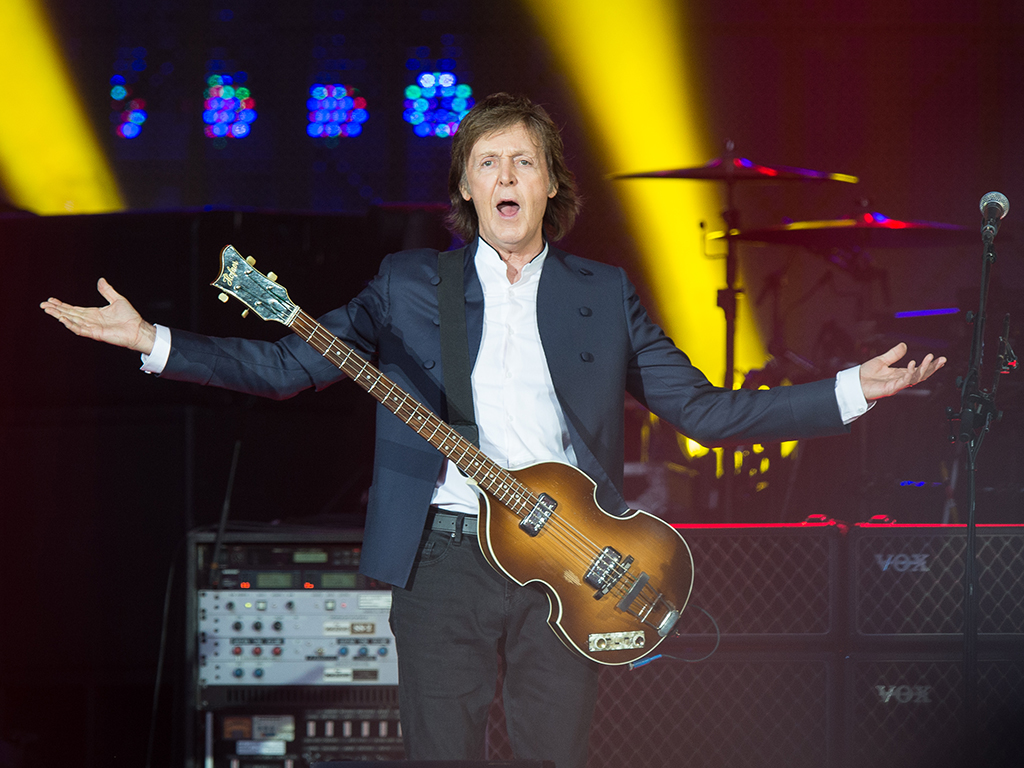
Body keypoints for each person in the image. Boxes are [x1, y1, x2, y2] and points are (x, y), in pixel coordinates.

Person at [41, 92, 945, 768]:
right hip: (443, 559)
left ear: (552, 185)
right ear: (465, 189)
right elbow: (288, 368)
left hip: (574, 558)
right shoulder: (406, 285)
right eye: (487, 163)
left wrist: (847, 391)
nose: (505, 177)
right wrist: (155, 340)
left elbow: (704, 413)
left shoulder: (603, 293)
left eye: (522, 162)